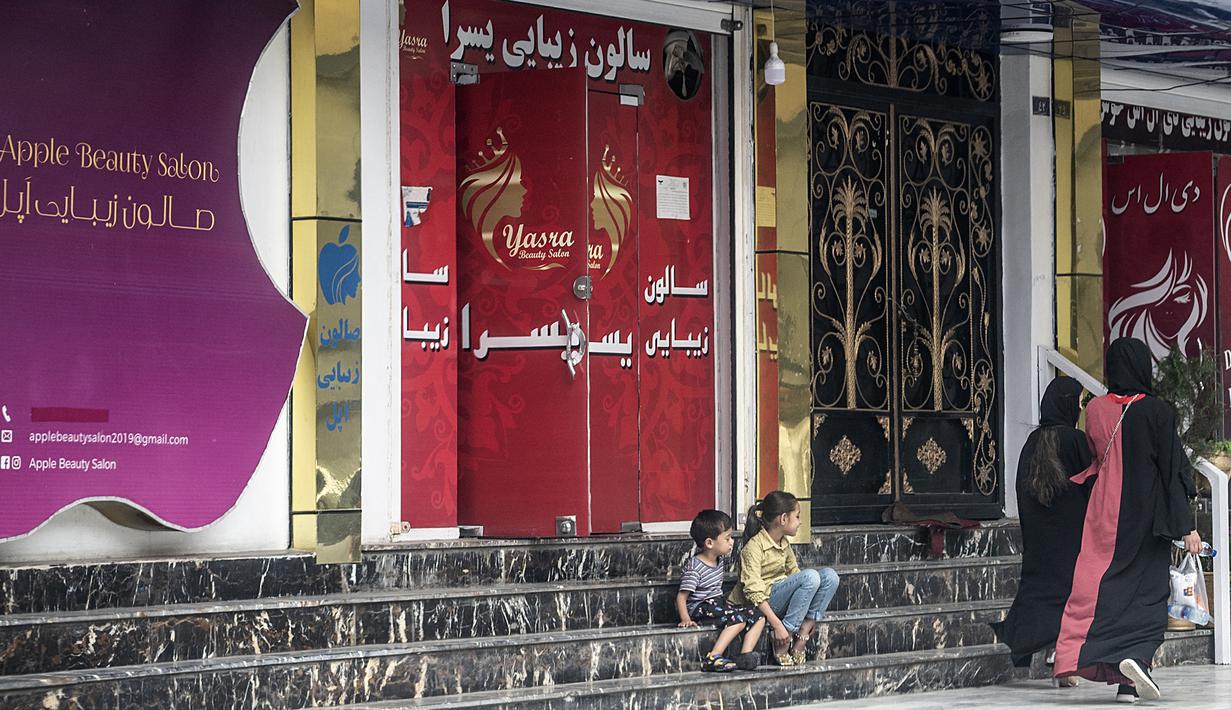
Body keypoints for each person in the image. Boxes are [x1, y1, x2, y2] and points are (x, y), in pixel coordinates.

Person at [1053, 337, 1204, 704]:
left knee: (1105, 589)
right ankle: (1133, 667)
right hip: (1147, 517)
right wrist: (1187, 527)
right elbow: (1171, 471)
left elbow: (1096, 455)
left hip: (1104, 514)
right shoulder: (1157, 411)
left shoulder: (1096, 409)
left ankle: (1101, 665)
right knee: (1148, 595)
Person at [991, 377, 1092, 676]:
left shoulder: (1032, 443)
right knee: (1071, 594)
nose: (1081, 409)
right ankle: (1062, 653)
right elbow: (1091, 484)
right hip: (1071, 534)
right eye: (1079, 403)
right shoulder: (1075, 441)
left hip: (1038, 534)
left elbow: (1022, 488)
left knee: (1038, 590)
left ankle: (1025, 643)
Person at [729, 490, 840, 666]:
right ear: (783, 519)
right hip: (762, 604)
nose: (800, 522)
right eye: (797, 516)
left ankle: (803, 634)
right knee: (810, 576)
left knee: (830, 576)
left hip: (781, 598)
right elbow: (753, 593)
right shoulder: (753, 548)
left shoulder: (783, 543)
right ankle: (784, 637)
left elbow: (795, 575)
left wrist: (810, 609)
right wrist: (779, 627)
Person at [677, 509, 766, 672]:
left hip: (717, 604)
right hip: (700, 607)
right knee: (738, 618)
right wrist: (685, 618)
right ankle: (713, 657)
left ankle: (745, 656)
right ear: (710, 543)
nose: (731, 542)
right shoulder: (695, 567)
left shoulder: (718, 559)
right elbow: (682, 597)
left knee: (758, 616)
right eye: (727, 538)